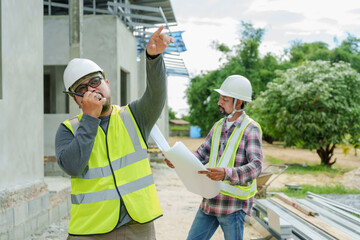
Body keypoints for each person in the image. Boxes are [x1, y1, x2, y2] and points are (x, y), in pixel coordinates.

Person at [55, 26, 174, 240]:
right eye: (82, 89)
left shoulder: (135, 116)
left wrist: (153, 58)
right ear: (75, 100)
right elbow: (73, 166)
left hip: (137, 224)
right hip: (90, 229)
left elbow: (156, 95)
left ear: (107, 84)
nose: (91, 90)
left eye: (95, 81)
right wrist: (90, 119)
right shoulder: (67, 130)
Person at [165, 75, 263, 240]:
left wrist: (226, 173)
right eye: (220, 98)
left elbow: (257, 166)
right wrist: (179, 160)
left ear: (238, 102)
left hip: (233, 206)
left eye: (224, 99)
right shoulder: (218, 126)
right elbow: (201, 154)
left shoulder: (250, 129)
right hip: (210, 201)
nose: (219, 102)